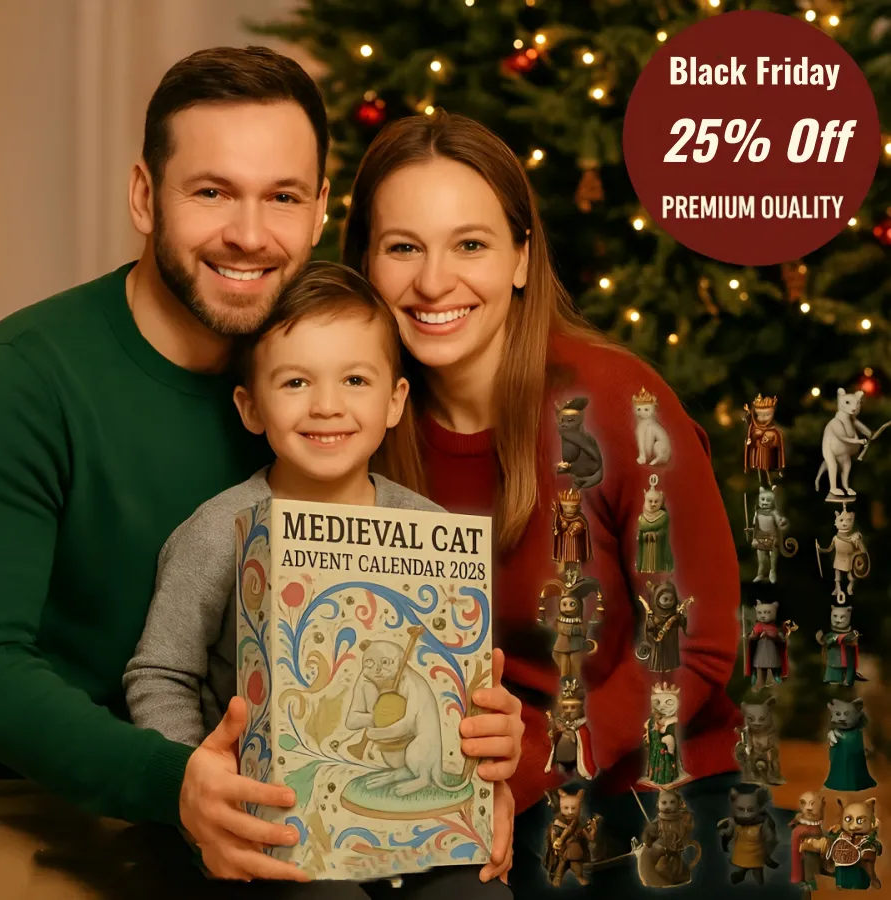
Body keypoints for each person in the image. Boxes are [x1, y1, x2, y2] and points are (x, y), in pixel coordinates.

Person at [340, 111, 799, 896]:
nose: (433, 282)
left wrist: (547, 760)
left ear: (521, 258)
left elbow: (695, 642)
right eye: (403, 247)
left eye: (471, 245)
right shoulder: (350, 422)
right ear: (365, 265)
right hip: (469, 784)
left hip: (664, 776)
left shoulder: (620, 405)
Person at [0, 45, 341, 887]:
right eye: (212, 191)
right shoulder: (26, 377)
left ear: (322, 209)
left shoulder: (334, 388)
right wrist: (172, 784)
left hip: (287, 818)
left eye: (282, 197)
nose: (250, 235)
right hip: (51, 808)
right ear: (146, 197)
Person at [123, 261, 519, 894]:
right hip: (272, 830)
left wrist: (495, 748)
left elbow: (463, 690)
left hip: (421, 831)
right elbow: (160, 673)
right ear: (250, 407)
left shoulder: (434, 533)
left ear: (395, 401)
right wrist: (196, 780)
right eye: (296, 381)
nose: (327, 405)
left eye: (356, 379)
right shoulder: (218, 529)